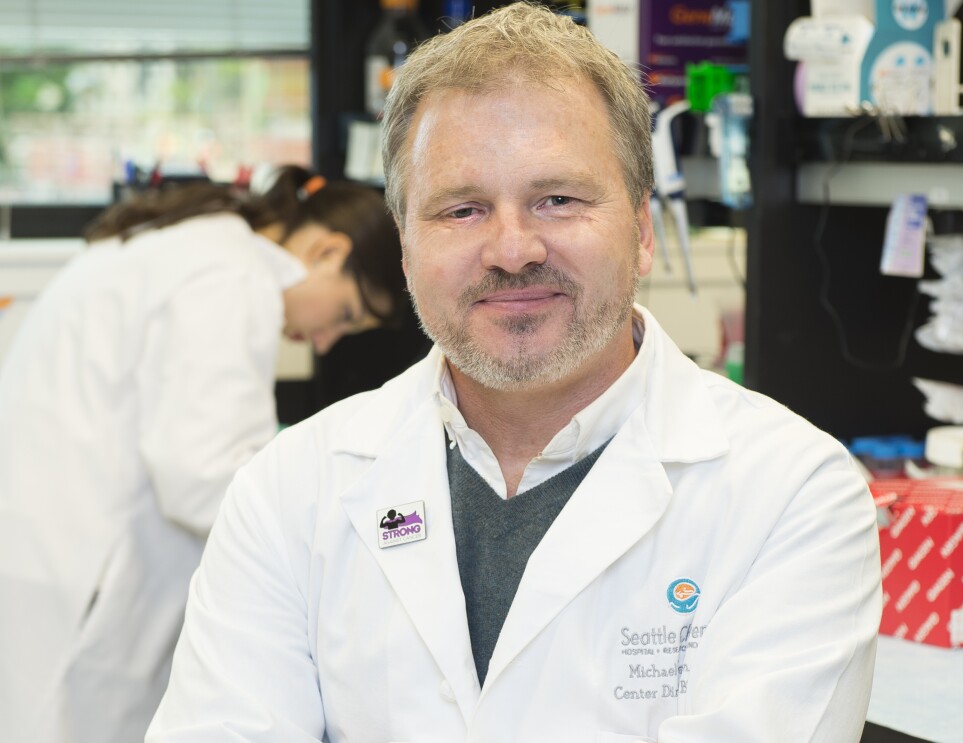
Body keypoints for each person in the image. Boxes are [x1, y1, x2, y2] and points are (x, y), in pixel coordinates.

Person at [148, 5, 883, 742]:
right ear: (406, 253)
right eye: (462, 209)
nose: (511, 248)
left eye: (557, 199)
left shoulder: (793, 491)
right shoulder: (289, 488)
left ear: (641, 230)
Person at [0, 166, 411, 743]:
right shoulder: (231, 275)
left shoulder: (196, 244)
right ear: (326, 251)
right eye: (344, 315)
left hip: (53, 550)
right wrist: (334, 550)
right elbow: (201, 475)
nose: (325, 342)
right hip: (86, 572)